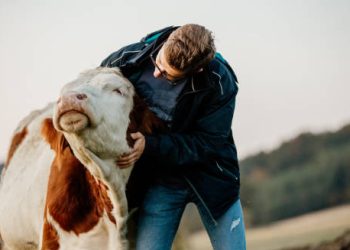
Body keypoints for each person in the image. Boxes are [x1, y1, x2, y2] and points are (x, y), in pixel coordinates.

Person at [101, 24, 246, 250]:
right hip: (161, 181)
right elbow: (97, 89)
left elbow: (207, 143)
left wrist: (148, 146)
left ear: (196, 71)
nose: (157, 73)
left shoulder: (220, 81)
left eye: (169, 76)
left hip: (212, 180)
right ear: (165, 43)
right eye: (158, 63)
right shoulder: (128, 58)